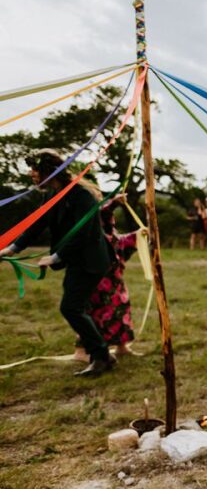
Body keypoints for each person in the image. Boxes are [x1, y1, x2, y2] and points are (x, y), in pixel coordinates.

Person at [0, 150, 115, 376]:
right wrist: (13, 248)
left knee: (71, 307)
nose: (32, 175)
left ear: (49, 172)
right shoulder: (51, 195)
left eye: (36, 171)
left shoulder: (81, 196)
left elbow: (84, 232)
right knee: (75, 307)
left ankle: (101, 356)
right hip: (76, 261)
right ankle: (102, 354)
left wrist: (56, 256)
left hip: (91, 260)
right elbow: (38, 224)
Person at [73, 195, 145, 362]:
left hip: (114, 278)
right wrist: (113, 204)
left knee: (120, 307)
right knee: (92, 311)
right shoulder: (88, 220)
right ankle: (81, 350)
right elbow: (100, 213)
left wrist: (139, 235)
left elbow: (117, 240)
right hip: (95, 275)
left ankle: (121, 346)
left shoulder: (109, 231)